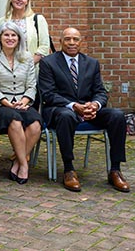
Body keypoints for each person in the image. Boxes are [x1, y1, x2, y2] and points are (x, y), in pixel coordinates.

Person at [38, 27, 129, 193]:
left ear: (81, 42)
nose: (71, 43)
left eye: (75, 39)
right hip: (61, 109)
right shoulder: (48, 62)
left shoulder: (91, 63)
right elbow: (48, 94)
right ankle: (69, 169)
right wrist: (74, 106)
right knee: (66, 116)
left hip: (88, 109)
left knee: (117, 116)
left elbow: (100, 91)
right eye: (67, 39)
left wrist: (95, 105)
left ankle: (115, 170)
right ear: (60, 42)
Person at [0, 21, 42, 184]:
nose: (10, 38)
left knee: (35, 123)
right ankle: (24, 165)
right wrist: (7, 103)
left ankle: (17, 161)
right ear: (0, 37)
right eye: (6, 35)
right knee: (15, 121)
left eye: (13, 35)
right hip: (0, 105)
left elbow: (31, 85)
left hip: (24, 102)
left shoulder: (27, 57)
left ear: (19, 38)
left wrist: (24, 101)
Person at [0, 0, 51, 66]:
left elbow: (44, 47)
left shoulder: (38, 19)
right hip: (7, 69)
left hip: (31, 69)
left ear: (27, 1)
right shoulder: (2, 21)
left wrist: (28, 65)